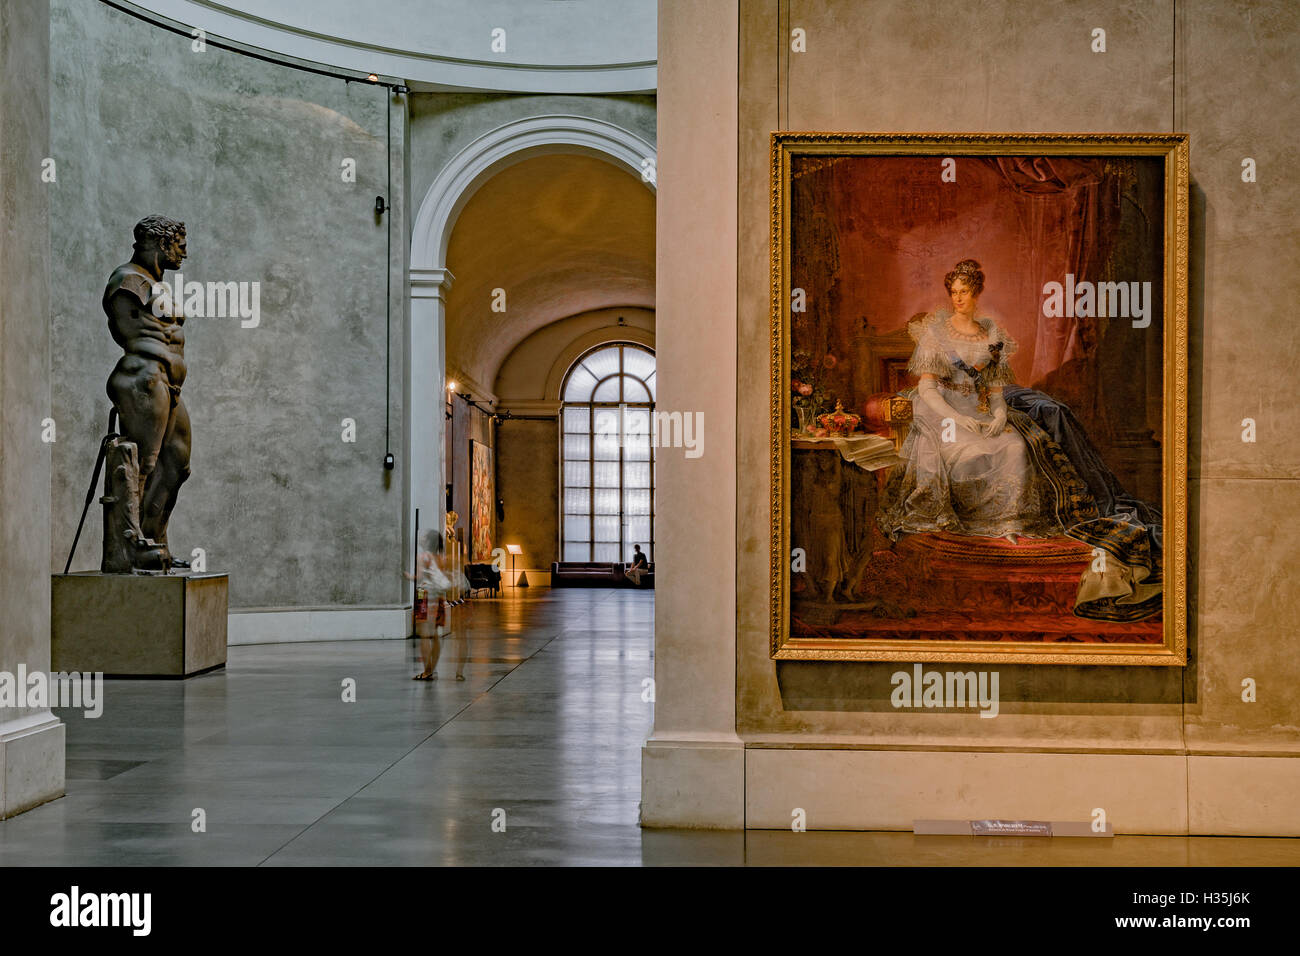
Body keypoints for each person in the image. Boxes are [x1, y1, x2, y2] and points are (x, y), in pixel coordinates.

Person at [877, 258, 1162, 621]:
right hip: (941, 414)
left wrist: (997, 414)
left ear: (976, 293)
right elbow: (928, 390)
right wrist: (958, 417)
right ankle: (976, 522)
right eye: (953, 292)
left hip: (980, 409)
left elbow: (996, 390)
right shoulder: (937, 334)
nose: (958, 298)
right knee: (964, 453)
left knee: (1014, 447)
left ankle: (1009, 523)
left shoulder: (991, 334)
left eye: (964, 292)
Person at [102, 214, 192, 570]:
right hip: (143, 377)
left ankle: (154, 540)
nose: (185, 253)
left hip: (168, 381)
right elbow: (131, 330)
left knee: (176, 464)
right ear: (160, 243)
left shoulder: (160, 286)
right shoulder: (128, 280)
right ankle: (129, 544)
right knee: (142, 463)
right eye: (180, 245)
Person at [406, 531, 452, 680]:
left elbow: (419, 578)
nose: (421, 538)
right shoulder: (440, 558)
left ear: (428, 542)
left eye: (424, 536)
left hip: (423, 595)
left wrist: (408, 576)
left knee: (424, 635)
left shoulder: (423, 557)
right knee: (435, 635)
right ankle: (432, 668)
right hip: (438, 598)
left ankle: (427, 671)